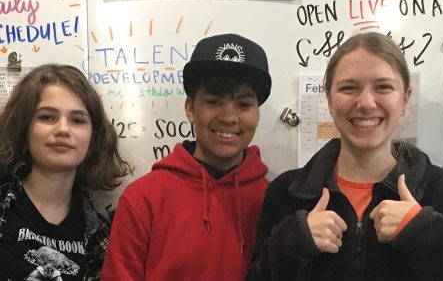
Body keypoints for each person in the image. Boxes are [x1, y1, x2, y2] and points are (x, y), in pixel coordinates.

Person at [246, 32, 443, 280]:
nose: (365, 103)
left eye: (383, 87)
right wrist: (295, 242)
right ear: (329, 101)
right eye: (349, 88)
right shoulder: (286, 193)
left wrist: (422, 234)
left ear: (405, 99)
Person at [101, 33, 272, 280]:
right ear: (190, 109)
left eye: (244, 105)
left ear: (257, 114)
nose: (228, 117)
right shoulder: (143, 198)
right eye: (213, 102)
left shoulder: (272, 199)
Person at [0, 64, 133, 280]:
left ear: (93, 138)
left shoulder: (100, 232)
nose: (63, 129)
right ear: (23, 129)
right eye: (47, 117)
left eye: (77, 120)